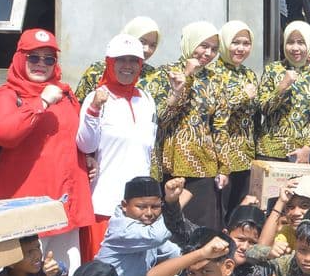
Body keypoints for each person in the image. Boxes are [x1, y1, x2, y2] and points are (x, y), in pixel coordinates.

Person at [0, 28, 97, 276]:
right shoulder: (6, 95)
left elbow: (72, 135)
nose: (41, 64)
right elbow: (4, 133)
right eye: (33, 57)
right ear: (19, 58)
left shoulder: (65, 95)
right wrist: (41, 103)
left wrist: (86, 157)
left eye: (49, 59)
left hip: (63, 206)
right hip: (23, 211)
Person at [76, 34, 158, 235]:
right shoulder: (96, 97)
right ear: (110, 63)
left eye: (133, 60)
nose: (127, 66)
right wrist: (95, 108)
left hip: (140, 207)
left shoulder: (147, 99)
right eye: (121, 59)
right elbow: (85, 145)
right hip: (104, 204)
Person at [154, 22, 225, 230]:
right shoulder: (165, 73)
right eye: (203, 46)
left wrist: (224, 167)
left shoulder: (215, 80)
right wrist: (186, 76)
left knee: (201, 231)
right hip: (170, 166)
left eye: (214, 49)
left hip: (204, 167)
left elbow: (220, 125)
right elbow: (161, 118)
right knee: (170, 228)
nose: (208, 53)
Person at [93, 176, 180, 276]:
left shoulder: (147, 228)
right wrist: (172, 204)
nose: (149, 213)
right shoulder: (122, 229)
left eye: (155, 207)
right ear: (124, 206)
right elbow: (155, 236)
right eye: (141, 207)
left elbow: (175, 253)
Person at [256, 20, 310, 163]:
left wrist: (307, 148)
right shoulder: (272, 70)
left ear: (309, 44)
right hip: (269, 151)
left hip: (300, 154)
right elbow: (263, 108)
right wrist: (282, 87)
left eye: (301, 42)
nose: (295, 48)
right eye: (290, 42)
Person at [211, 20, 262, 213]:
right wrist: (241, 96)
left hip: (245, 156)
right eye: (235, 42)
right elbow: (213, 112)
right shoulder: (212, 72)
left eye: (246, 43)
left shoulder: (249, 74)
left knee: (241, 213)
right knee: (220, 212)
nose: (241, 48)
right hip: (221, 155)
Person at [78, 16, 162, 98]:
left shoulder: (153, 76)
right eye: (142, 41)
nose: (147, 50)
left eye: (153, 45)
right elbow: (78, 105)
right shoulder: (96, 72)